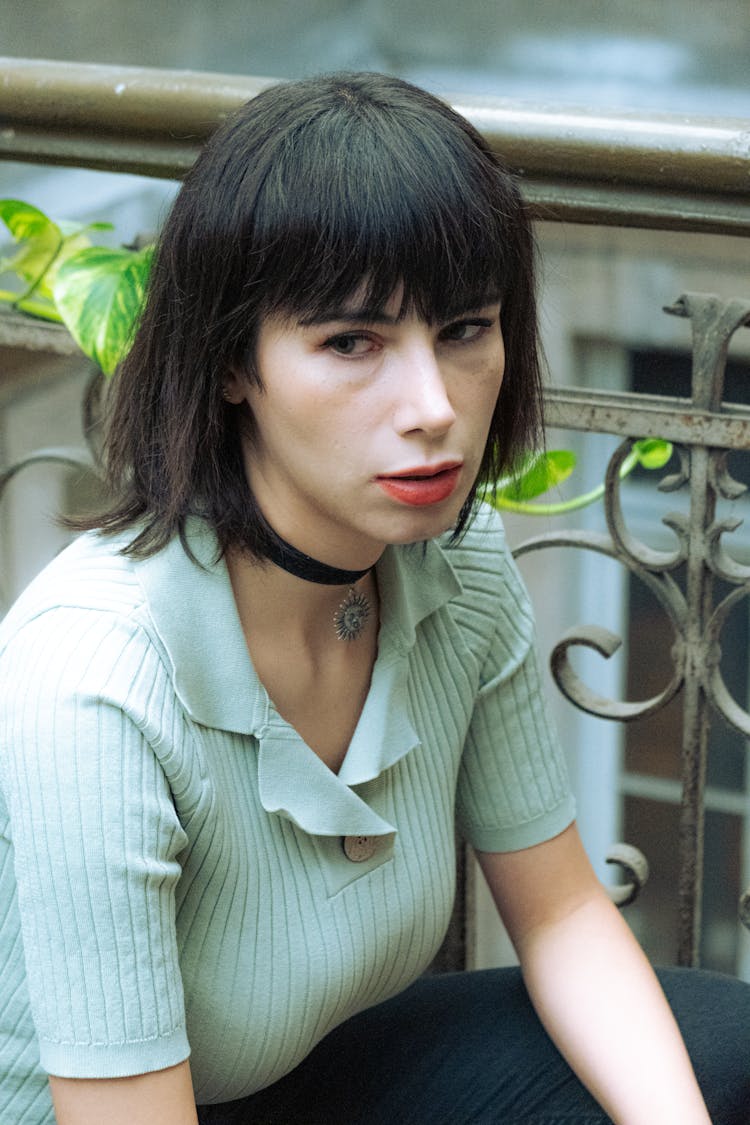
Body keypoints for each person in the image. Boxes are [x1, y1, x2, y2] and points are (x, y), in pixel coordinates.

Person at [0, 72, 748, 1125]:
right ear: (231, 365)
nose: (435, 407)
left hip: (292, 1079)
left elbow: (566, 916)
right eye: (351, 343)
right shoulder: (95, 682)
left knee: (723, 1056)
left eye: (464, 330)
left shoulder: (456, 561)